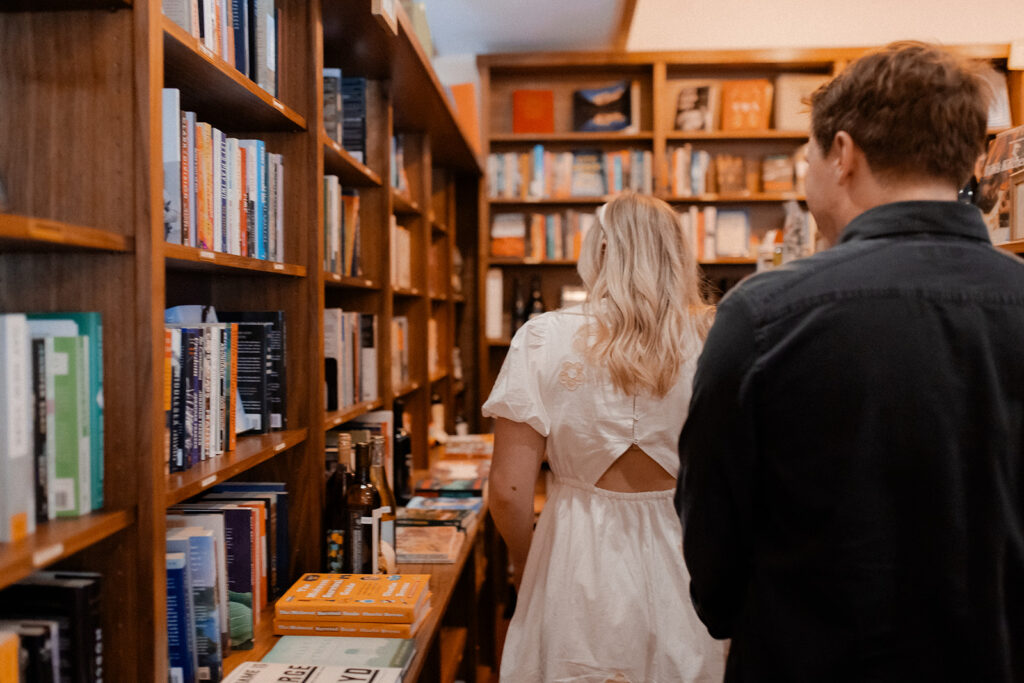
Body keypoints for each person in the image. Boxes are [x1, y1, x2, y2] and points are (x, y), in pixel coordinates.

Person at [677, 41, 1024, 682]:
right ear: (969, 159)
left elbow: (714, 541)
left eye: (807, 155)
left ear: (842, 154)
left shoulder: (764, 314)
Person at [483, 192, 725, 682]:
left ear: (598, 252)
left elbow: (509, 490)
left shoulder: (543, 337)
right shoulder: (716, 336)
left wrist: (529, 565)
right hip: (687, 551)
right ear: (679, 255)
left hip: (574, 548)